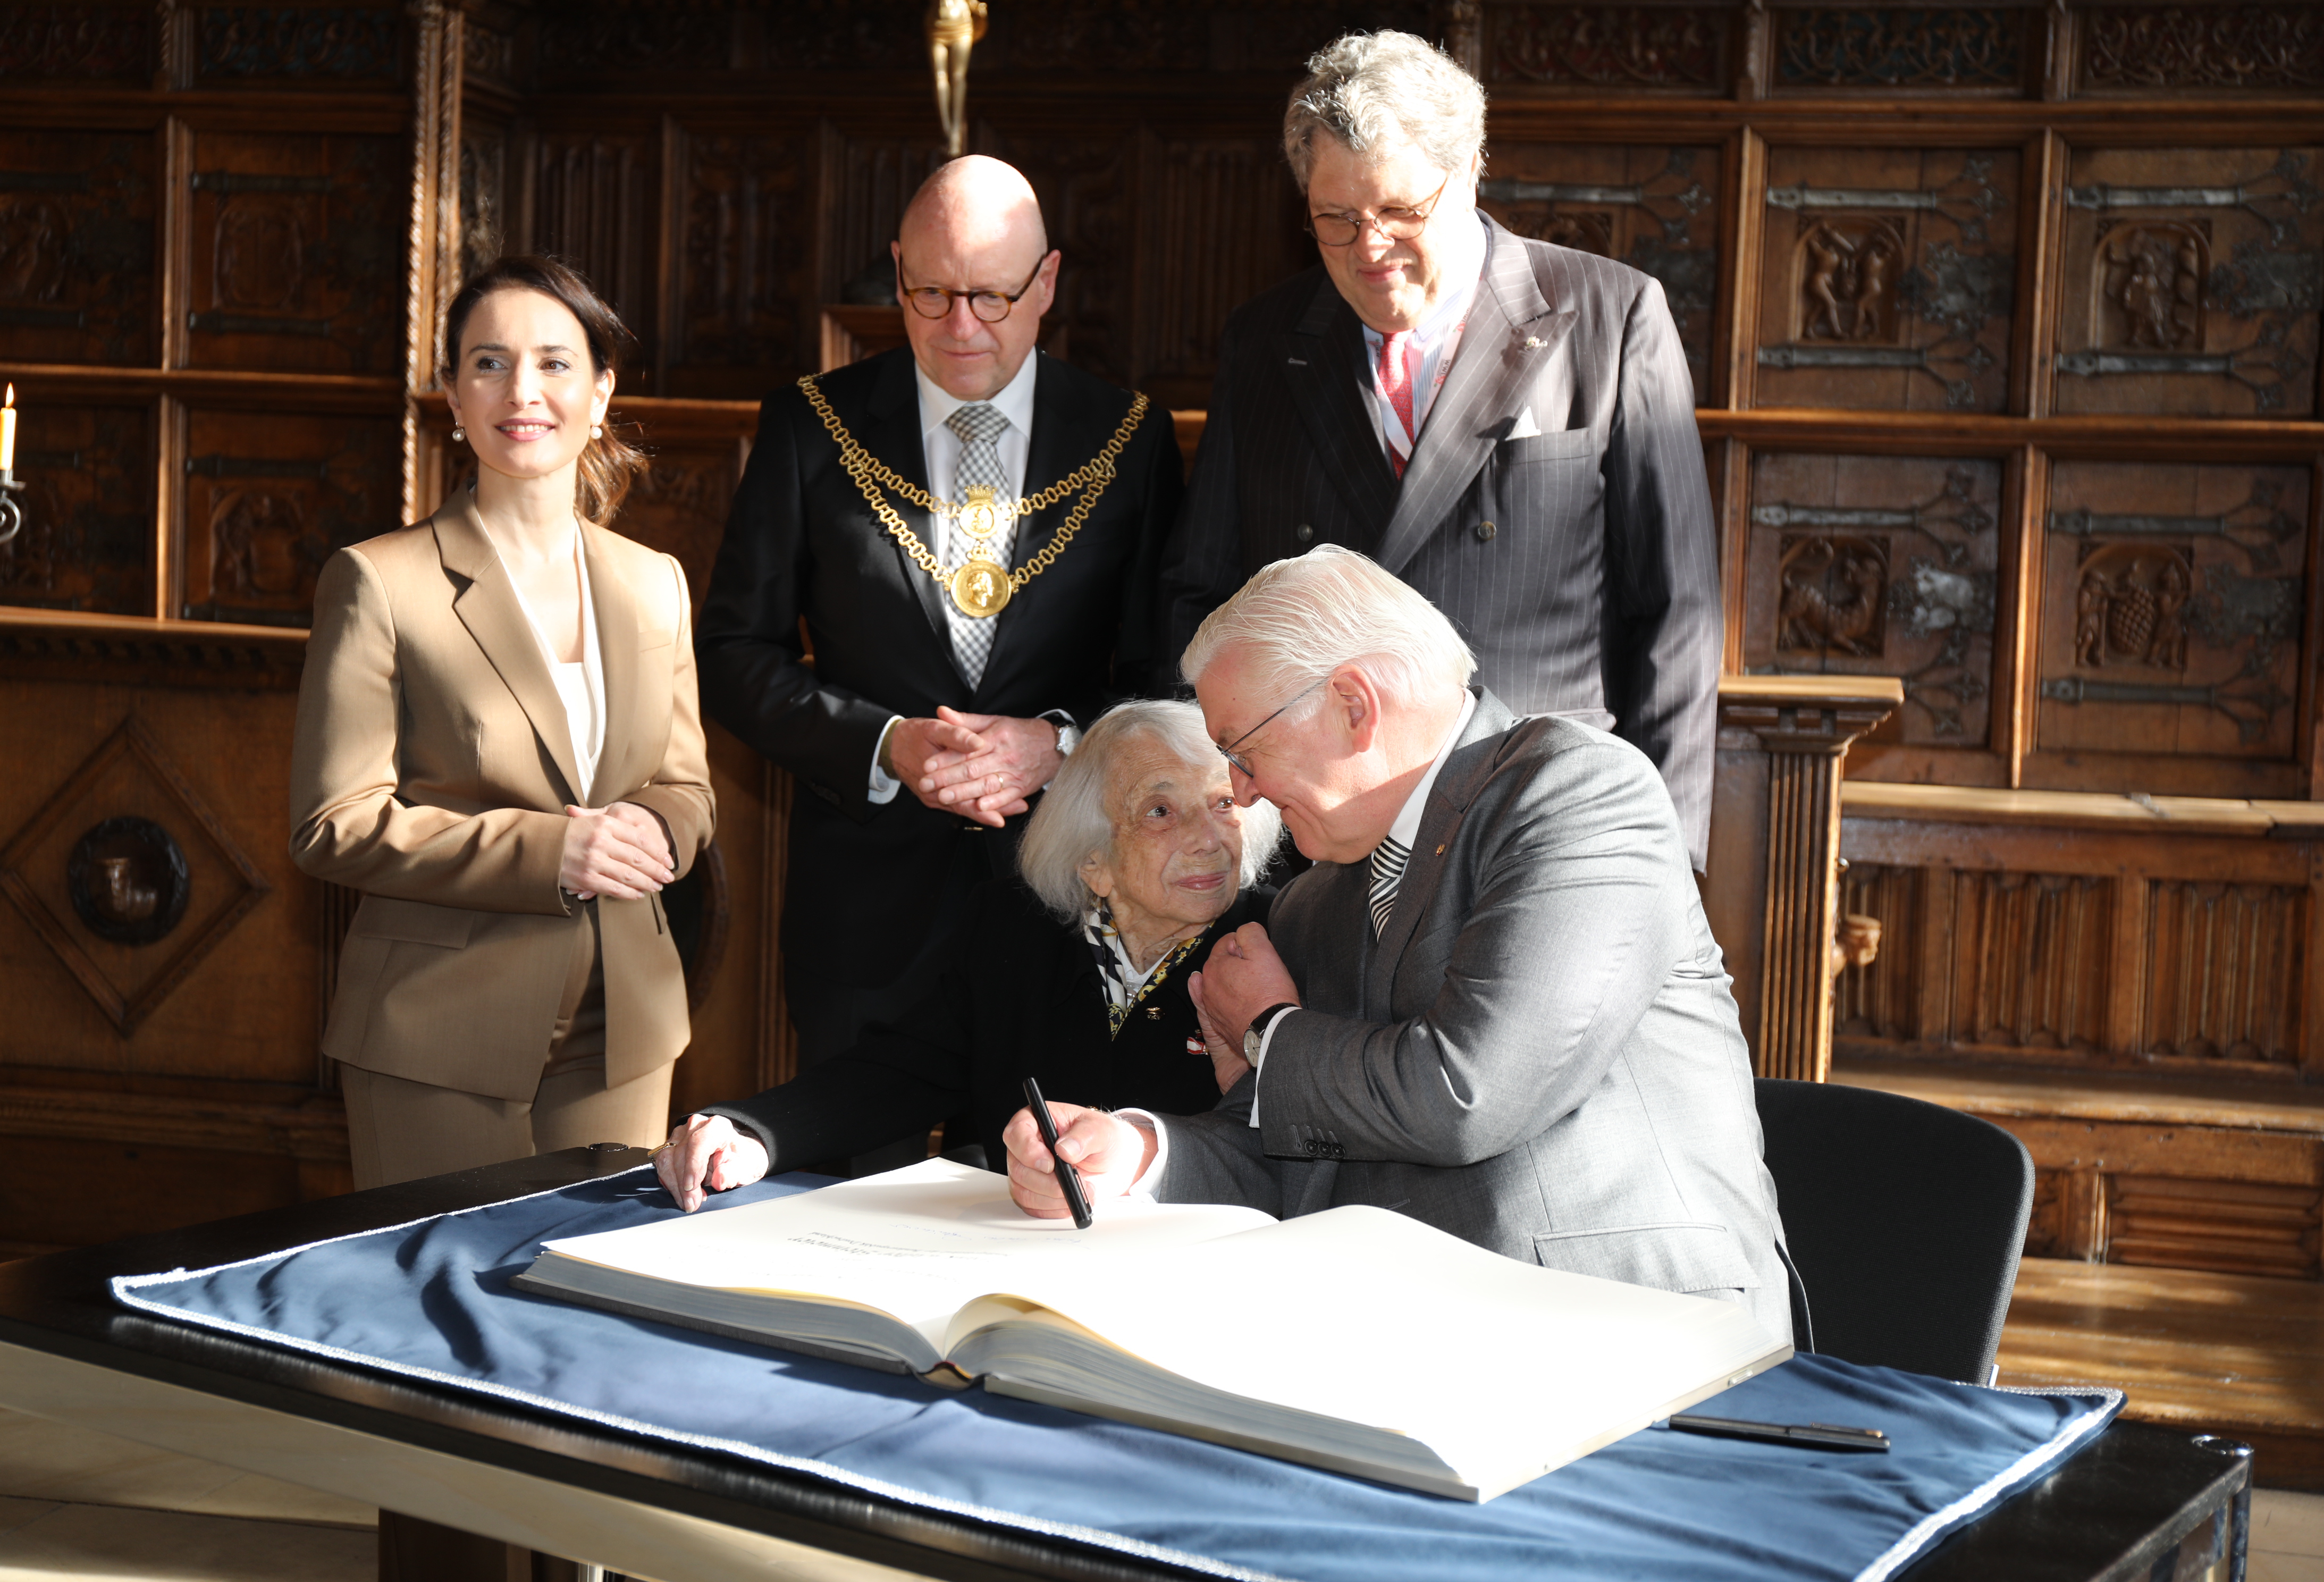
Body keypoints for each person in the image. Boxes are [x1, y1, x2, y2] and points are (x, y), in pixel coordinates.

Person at [1008, 548, 1793, 1345]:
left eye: (1241, 753)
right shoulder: (1315, 902)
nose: (1240, 793)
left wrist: (1266, 1028)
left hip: (1624, 1332)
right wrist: (1133, 1153)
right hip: (1401, 1331)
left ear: (1354, 705)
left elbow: (1468, 1092)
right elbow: (1279, 1136)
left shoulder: (1577, 791)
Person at [1160, 30, 1721, 868]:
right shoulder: (1265, 342)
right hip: (1314, 842)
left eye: (1399, 213)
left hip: (1532, 824)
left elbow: (1679, 618)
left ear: (1467, 173)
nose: (1370, 250)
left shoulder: (1611, 317)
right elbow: (1200, 596)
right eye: (1336, 221)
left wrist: (1656, 863)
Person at [697, 156, 1184, 1113]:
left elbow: (1163, 672)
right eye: (929, 294)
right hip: (864, 916)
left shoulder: (1129, 438)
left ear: (1046, 282)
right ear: (895, 273)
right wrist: (886, 744)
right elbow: (730, 653)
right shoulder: (811, 425)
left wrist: (1057, 744)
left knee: (1035, 1208)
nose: (960, 326)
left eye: (993, 296)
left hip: (1065, 905)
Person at [291, 256, 714, 1189]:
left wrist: (655, 826)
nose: (522, 391)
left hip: (626, 1026)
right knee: (431, 1312)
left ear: (600, 393)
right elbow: (334, 824)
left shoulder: (654, 583)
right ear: (452, 392)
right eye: (488, 362)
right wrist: (550, 853)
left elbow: (686, 787)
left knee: (593, 1308)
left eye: (555, 364)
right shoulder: (376, 580)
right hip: (440, 1031)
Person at [652, 701, 1282, 1210]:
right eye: (1162, 811)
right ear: (1093, 862)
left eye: (1223, 804)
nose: (1209, 840)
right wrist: (753, 1132)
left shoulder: (1275, 939)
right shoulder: (1016, 930)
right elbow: (906, 1069)